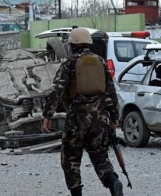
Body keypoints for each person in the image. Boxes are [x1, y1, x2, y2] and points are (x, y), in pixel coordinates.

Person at [42, 28, 123, 196]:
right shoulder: (100, 62)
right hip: (100, 119)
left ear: (72, 45)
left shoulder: (70, 63)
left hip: (77, 119)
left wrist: (47, 115)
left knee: (70, 158)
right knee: (100, 156)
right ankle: (112, 181)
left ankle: (77, 193)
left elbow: (57, 90)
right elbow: (111, 91)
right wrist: (115, 117)